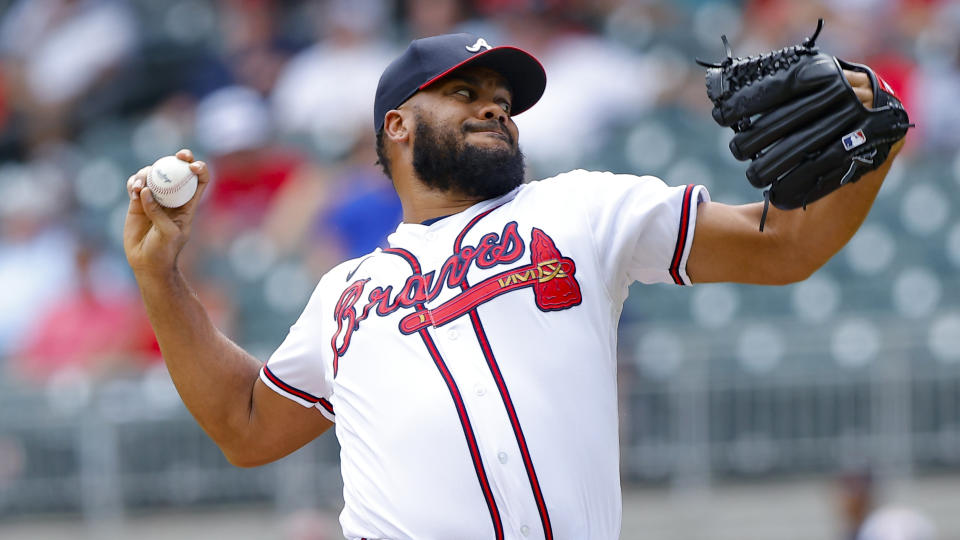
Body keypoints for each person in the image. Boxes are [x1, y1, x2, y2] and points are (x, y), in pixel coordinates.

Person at [123, 33, 904, 539]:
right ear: (396, 126)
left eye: (502, 100)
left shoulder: (581, 206)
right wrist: (160, 277)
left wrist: (868, 142)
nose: (495, 108)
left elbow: (783, 247)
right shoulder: (344, 294)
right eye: (464, 94)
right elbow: (245, 426)